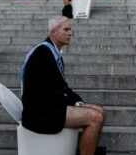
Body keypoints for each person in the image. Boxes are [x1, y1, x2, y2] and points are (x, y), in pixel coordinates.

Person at [21, 16, 106, 155]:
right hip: (40, 112)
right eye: (66, 29)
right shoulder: (42, 52)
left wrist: (79, 102)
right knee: (95, 117)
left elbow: (62, 87)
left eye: (70, 29)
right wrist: (75, 104)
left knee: (101, 111)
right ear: (53, 32)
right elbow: (45, 90)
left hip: (50, 106)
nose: (70, 33)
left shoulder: (52, 52)